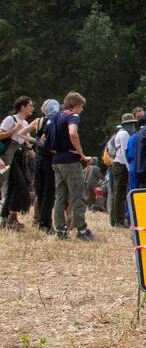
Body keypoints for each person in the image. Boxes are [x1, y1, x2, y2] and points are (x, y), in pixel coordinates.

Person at [49, 91, 94, 240]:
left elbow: (46, 139)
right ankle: (82, 230)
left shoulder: (56, 116)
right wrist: (81, 153)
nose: (82, 110)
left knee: (59, 196)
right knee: (77, 195)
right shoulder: (72, 116)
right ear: (76, 106)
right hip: (70, 161)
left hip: (57, 160)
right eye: (81, 107)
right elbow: (73, 133)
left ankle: (60, 230)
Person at [0, 96, 36, 228]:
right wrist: (14, 129)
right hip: (9, 156)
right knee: (20, 185)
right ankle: (12, 216)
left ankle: (5, 218)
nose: (32, 108)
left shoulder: (26, 123)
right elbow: (0, 135)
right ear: (22, 107)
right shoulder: (11, 119)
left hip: (21, 156)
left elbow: (26, 142)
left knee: (14, 187)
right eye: (30, 105)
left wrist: (33, 154)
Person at [30, 100, 60, 233]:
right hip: (50, 159)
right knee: (49, 192)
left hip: (38, 158)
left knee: (40, 192)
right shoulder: (56, 122)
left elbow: (22, 133)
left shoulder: (38, 121)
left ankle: (40, 220)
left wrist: (36, 142)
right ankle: (46, 223)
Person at [105, 113, 136, 226]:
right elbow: (124, 151)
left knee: (118, 193)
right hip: (121, 164)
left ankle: (116, 219)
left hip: (118, 164)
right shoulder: (124, 134)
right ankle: (118, 220)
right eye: (131, 124)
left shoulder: (119, 133)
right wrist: (129, 168)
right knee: (119, 194)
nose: (133, 126)